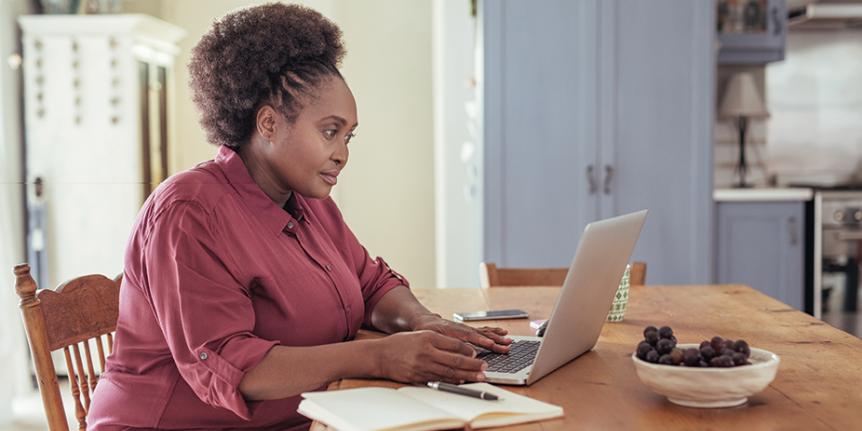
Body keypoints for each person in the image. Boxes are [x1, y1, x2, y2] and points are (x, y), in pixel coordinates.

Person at [88, 4, 511, 430]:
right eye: (329, 131)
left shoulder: (308, 200)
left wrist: (425, 323)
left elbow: (371, 283)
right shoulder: (189, 212)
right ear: (269, 123)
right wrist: (383, 356)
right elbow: (232, 365)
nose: (342, 153)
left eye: (349, 136)